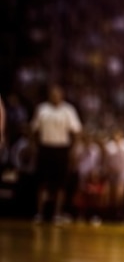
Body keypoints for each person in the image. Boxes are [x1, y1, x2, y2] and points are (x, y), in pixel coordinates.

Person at [31, 84, 83, 224]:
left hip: (61, 149)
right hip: (45, 148)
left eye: (57, 94)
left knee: (60, 184)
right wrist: (34, 147)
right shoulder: (42, 109)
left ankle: (56, 214)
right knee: (42, 182)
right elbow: (34, 130)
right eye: (53, 94)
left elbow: (76, 131)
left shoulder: (68, 110)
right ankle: (40, 213)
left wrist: (73, 150)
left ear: (62, 95)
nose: (55, 96)